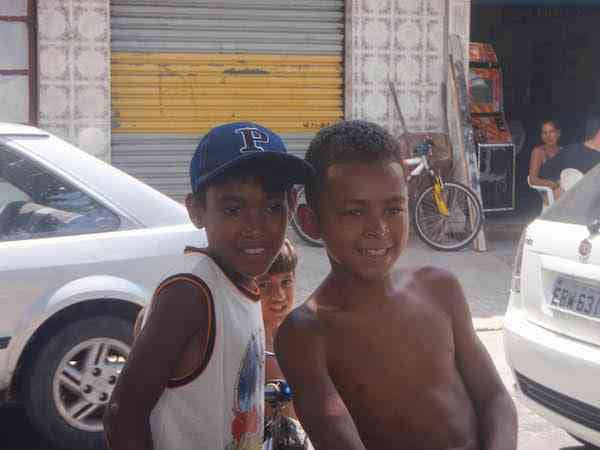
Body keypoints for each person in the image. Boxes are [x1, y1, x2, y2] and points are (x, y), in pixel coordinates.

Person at [275, 120, 517, 450]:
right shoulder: (306, 333)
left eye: (393, 208)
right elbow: (336, 437)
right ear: (311, 221)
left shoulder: (440, 289)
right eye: (354, 212)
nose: (379, 229)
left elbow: (495, 399)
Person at [104, 121, 313, 450]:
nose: (255, 226)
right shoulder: (191, 292)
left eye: (272, 207)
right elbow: (122, 413)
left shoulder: (242, 285)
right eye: (233, 209)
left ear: (290, 203)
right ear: (196, 210)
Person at [540, 116, 600, 183]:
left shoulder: (572, 150)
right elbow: (543, 174)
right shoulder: (571, 151)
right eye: (545, 133)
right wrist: (556, 186)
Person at [528, 120, 562, 204]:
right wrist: (552, 184)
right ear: (541, 136)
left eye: (551, 132)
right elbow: (533, 179)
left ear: (558, 133)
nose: (548, 136)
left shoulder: (563, 151)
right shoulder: (538, 152)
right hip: (547, 193)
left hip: (562, 189)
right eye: (545, 133)